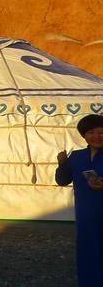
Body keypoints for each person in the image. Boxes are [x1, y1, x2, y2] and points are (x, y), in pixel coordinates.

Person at [57, 113, 103, 286]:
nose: (97, 136)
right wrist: (62, 163)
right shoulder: (76, 157)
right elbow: (62, 180)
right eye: (91, 132)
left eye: (101, 132)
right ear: (84, 134)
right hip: (86, 215)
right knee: (87, 252)